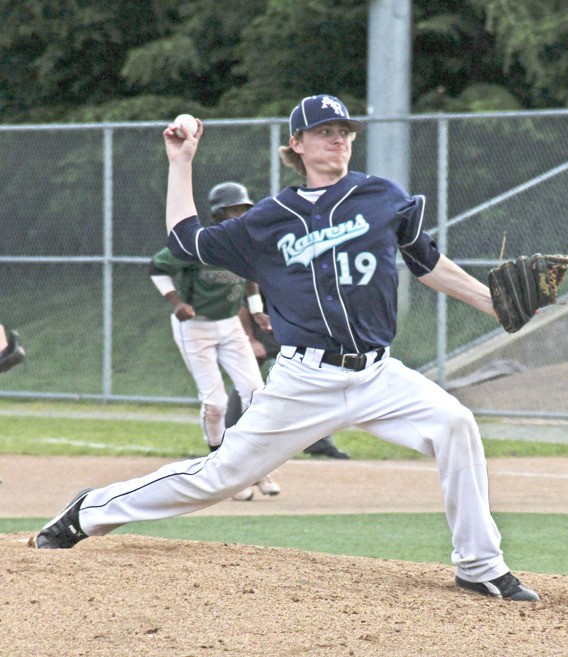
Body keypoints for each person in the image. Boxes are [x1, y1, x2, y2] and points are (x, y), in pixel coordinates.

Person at [36, 94, 540, 602]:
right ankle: (89, 512)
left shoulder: (382, 197)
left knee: (455, 423)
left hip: (377, 374)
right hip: (305, 381)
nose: (338, 138)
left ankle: (479, 565)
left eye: (344, 130)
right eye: (325, 131)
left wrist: (491, 304)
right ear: (296, 144)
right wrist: (180, 162)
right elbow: (186, 241)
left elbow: (426, 260)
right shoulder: (268, 219)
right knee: (220, 476)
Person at [149, 181, 280, 501]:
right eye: (235, 209)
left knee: (256, 394)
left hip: (231, 325)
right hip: (195, 327)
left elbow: (251, 280)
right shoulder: (200, 243)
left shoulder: (245, 243)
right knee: (215, 403)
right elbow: (157, 267)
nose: (241, 214)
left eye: (245, 209)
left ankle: (255, 467)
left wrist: (258, 311)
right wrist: (176, 302)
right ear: (219, 213)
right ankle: (219, 470)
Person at [227, 298, 350, 459]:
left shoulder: (308, 276)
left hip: (294, 335)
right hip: (261, 333)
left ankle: (319, 444)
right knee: (245, 383)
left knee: (313, 383)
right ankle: (228, 439)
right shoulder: (271, 273)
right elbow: (243, 307)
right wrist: (250, 340)